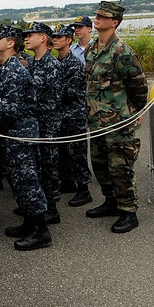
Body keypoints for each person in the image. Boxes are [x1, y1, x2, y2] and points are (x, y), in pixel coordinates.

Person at [84, 1, 149, 234]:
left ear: (114, 22)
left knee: (120, 166)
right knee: (100, 165)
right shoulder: (92, 49)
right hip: (97, 121)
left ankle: (128, 211)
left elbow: (140, 87)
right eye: (97, 15)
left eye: (103, 16)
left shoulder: (122, 51)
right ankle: (110, 202)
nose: (97, 19)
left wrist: (135, 112)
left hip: (118, 122)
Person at [0, 23, 51, 251]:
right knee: (18, 181)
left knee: (28, 181)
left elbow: (10, 108)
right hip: (13, 134)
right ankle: (28, 223)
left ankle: (41, 231)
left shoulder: (14, 70)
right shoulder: (6, 67)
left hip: (21, 134)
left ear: (10, 43)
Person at [22, 21, 63, 225]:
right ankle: (39, 203)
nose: (27, 38)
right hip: (35, 123)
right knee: (37, 165)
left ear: (43, 38)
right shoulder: (33, 63)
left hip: (47, 124)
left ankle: (52, 208)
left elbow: (44, 98)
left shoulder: (51, 64)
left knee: (49, 166)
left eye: (31, 34)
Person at [50, 24, 93, 207]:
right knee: (63, 152)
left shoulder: (73, 64)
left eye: (60, 37)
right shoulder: (58, 62)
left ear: (69, 41)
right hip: (61, 115)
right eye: (54, 37)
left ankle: (84, 190)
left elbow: (68, 92)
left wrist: (49, 92)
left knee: (77, 153)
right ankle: (68, 182)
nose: (55, 40)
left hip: (74, 115)